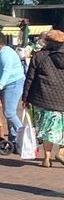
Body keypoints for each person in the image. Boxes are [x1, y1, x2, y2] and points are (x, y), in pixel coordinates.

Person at [22, 29, 64, 167]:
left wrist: (25, 98)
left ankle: (46, 157)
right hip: (62, 98)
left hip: (42, 97)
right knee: (61, 127)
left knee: (47, 128)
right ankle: (61, 151)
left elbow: (30, 78)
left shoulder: (39, 56)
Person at [0, 30, 25, 144]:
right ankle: (13, 140)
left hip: (12, 84)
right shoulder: (0, 52)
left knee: (9, 113)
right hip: (7, 85)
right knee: (8, 113)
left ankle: (24, 136)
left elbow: (7, 70)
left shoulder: (6, 52)